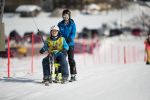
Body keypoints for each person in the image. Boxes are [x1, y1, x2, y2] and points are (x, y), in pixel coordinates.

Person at [58, 9, 77, 82]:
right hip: (62, 44)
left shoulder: (72, 24)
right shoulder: (60, 24)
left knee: (70, 59)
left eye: (66, 15)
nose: (65, 17)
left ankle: (73, 75)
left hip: (70, 44)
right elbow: (58, 32)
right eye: (64, 16)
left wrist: (70, 38)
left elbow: (73, 33)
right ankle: (60, 75)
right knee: (61, 59)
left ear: (69, 16)